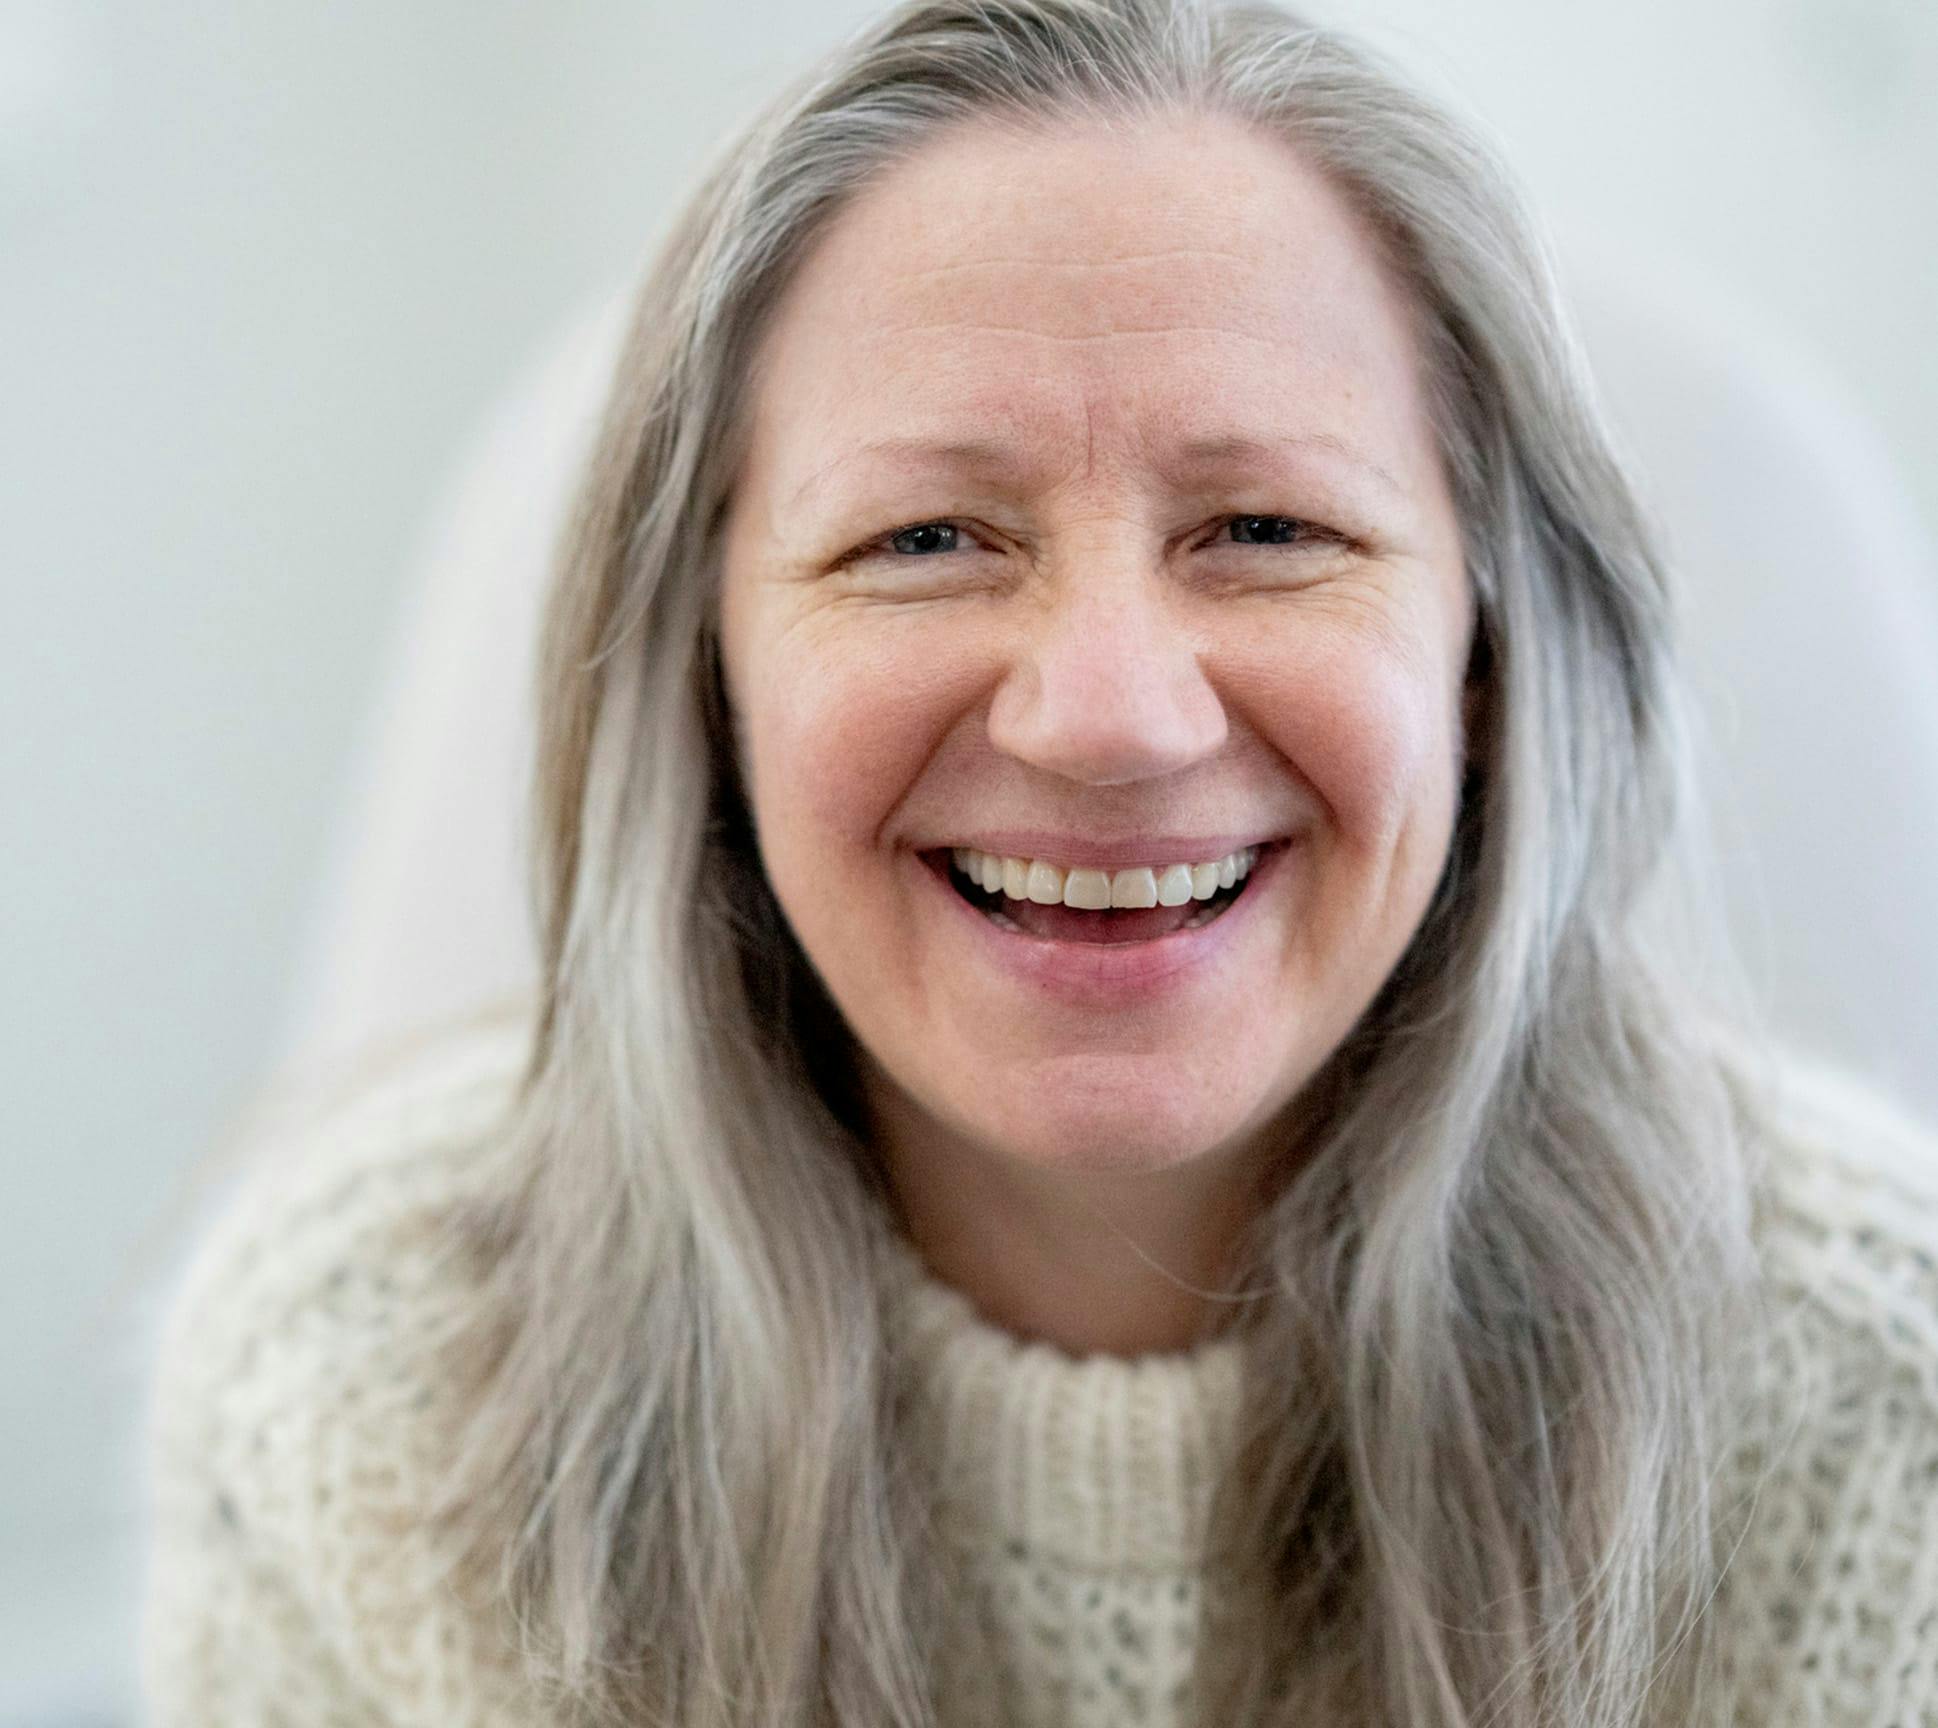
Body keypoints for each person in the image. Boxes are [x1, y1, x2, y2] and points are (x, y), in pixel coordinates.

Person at [138, 0, 1938, 1723]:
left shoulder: (1888, 1420)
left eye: (1265, 529)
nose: (1109, 718)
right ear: (710, 678)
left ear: (1484, 664)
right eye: (924, 538)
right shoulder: (351, 1389)